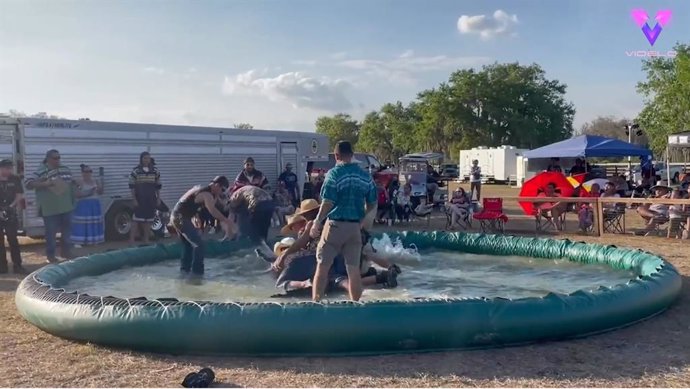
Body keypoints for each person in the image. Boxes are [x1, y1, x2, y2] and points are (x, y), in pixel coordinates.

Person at [309, 140, 378, 302]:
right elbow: (372, 203)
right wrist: (361, 219)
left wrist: (317, 222)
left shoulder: (333, 174)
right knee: (353, 269)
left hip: (335, 225)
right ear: (352, 155)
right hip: (354, 227)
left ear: (337, 156)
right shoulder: (365, 176)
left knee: (323, 266)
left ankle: (316, 303)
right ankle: (356, 305)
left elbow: (327, 202)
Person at [169, 176, 234, 276]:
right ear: (217, 185)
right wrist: (226, 221)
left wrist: (196, 217)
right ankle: (197, 273)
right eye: (223, 189)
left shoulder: (203, 191)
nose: (222, 192)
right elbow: (212, 210)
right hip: (180, 218)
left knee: (188, 245)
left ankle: (184, 271)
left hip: (177, 216)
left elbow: (187, 203)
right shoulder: (206, 194)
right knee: (199, 244)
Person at [25, 149, 76, 263]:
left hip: (66, 207)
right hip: (50, 209)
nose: (57, 160)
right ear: (48, 159)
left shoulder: (65, 169)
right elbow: (28, 184)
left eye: (59, 157)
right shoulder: (41, 171)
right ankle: (51, 255)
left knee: (67, 232)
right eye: (55, 158)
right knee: (51, 234)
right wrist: (44, 184)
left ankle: (66, 252)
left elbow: (71, 187)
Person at [227, 184, 275, 256]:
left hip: (257, 204)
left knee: (253, 232)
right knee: (263, 232)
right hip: (270, 203)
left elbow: (231, 216)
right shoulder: (247, 189)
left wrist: (228, 235)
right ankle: (268, 249)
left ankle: (264, 253)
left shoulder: (235, 195)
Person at [129, 152, 161, 245]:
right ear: (141, 159)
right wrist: (134, 199)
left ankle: (146, 239)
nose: (146, 160)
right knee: (136, 219)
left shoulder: (155, 171)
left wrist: (158, 198)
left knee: (149, 219)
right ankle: (132, 240)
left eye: (148, 158)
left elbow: (158, 186)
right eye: (144, 158)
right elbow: (132, 186)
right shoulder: (136, 171)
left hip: (151, 198)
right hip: (140, 198)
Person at [0, 159, 25, 274]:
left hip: (10, 212)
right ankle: (2, 267)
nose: (9, 170)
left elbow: (19, 195)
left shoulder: (15, 179)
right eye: (7, 168)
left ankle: (17, 265)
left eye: (10, 168)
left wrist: (11, 206)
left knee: (13, 240)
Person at [71, 164, 104, 247]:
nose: (88, 173)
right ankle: (78, 241)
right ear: (82, 172)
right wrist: (89, 192)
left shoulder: (95, 181)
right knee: (81, 223)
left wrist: (101, 185)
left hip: (94, 204)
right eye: (86, 171)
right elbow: (77, 194)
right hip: (83, 204)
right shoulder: (79, 181)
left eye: (90, 171)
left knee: (93, 223)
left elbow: (101, 192)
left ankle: (93, 240)